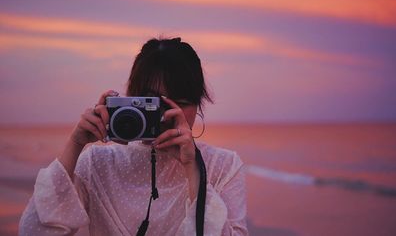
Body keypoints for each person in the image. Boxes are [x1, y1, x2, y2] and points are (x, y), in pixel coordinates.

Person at [19, 38, 248, 235]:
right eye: (152, 102)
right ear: (131, 99)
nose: (167, 114)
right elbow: (35, 231)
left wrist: (193, 169)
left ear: (198, 104)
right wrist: (75, 144)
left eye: (179, 102)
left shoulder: (223, 167)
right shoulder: (96, 164)